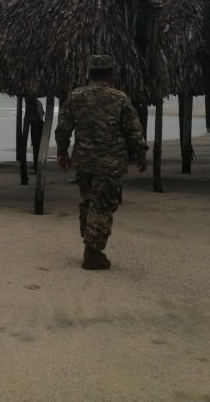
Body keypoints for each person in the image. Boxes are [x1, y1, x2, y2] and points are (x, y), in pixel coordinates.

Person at [55, 54, 148, 270]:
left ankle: (89, 243)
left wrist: (62, 152)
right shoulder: (119, 98)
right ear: (110, 73)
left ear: (89, 73)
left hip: (84, 161)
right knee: (103, 205)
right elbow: (134, 129)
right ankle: (93, 252)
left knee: (88, 202)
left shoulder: (76, 96)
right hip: (110, 163)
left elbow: (64, 127)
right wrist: (141, 154)